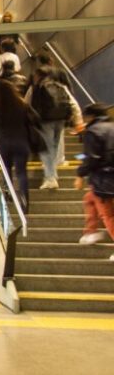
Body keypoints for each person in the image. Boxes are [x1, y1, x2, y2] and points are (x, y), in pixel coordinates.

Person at [25, 66, 82, 189]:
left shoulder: (35, 88)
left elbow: (26, 105)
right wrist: (78, 121)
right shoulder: (60, 86)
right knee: (54, 148)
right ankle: (53, 175)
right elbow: (73, 103)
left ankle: (50, 178)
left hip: (45, 122)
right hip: (60, 121)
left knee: (46, 150)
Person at [0, 80, 42, 211]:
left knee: (6, 170)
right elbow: (36, 118)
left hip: (4, 143)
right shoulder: (22, 104)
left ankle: (8, 196)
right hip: (21, 142)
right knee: (21, 173)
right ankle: (24, 202)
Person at [75, 104, 114, 262]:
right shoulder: (112, 127)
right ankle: (91, 231)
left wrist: (80, 174)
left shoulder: (93, 132)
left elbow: (92, 158)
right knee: (89, 199)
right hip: (107, 176)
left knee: (109, 215)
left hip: (104, 178)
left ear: (90, 117)